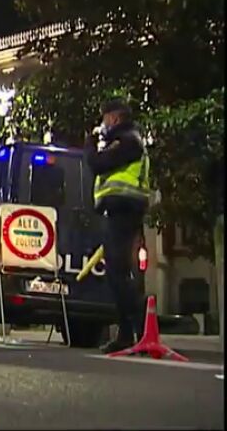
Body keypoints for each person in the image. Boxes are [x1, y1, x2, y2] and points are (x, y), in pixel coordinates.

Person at [84, 98, 152, 354]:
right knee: (118, 272)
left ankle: (138, 330)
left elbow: (97, 163)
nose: (103, 123)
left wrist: (90, 144)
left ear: (114, 117)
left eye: (104, 118)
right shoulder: (125, 140)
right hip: (120, 210)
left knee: (118, 273)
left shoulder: (128, 141)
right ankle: (130, 332)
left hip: (125, 210)